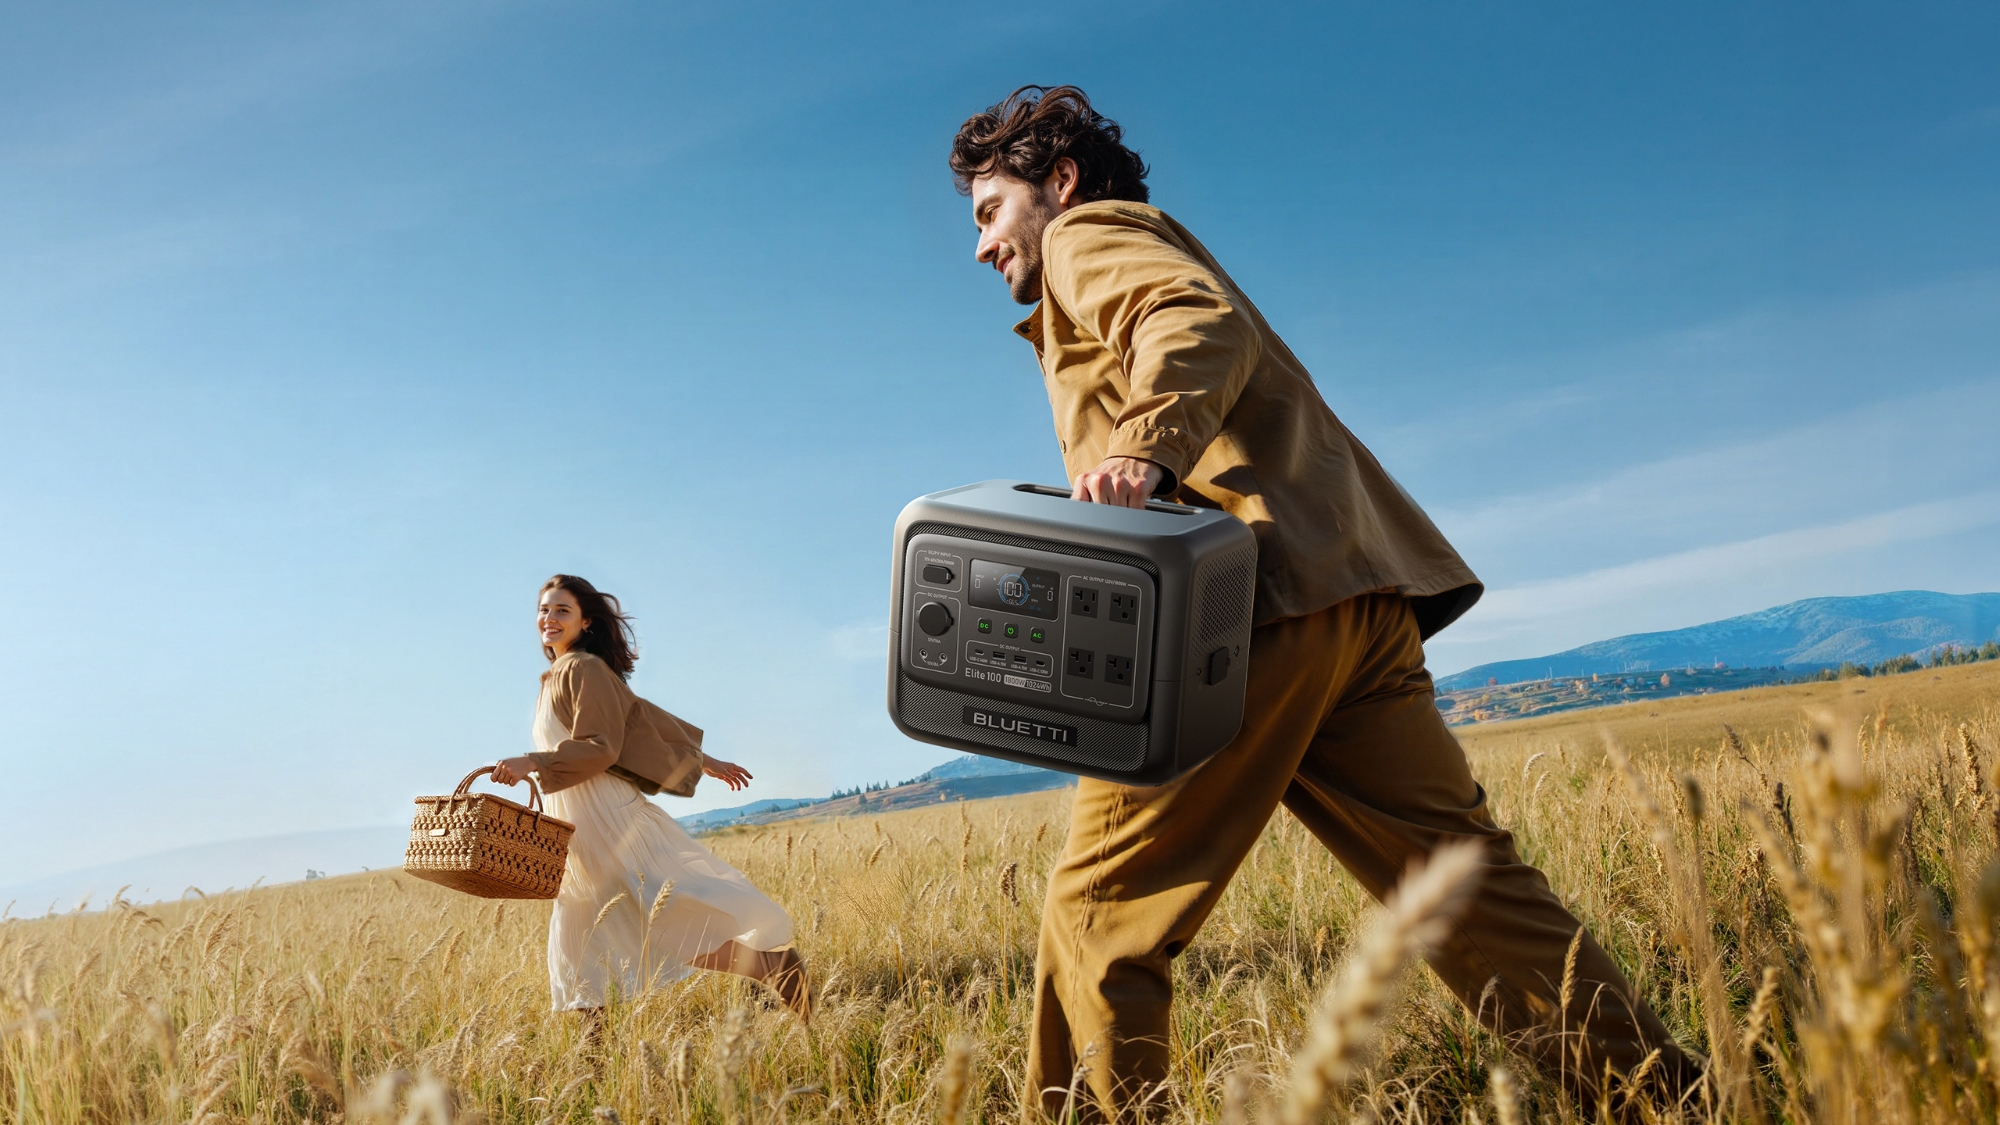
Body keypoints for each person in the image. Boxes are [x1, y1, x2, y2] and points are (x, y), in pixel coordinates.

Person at [948, 86, 1697, 1117]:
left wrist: (1137, 447)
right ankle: (1676, 1106)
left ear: (1058, 183)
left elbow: (1189, 320)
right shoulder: (1119, 245)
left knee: (1097, 915)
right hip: (1352, 596)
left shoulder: (1090, 235)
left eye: (989, 212)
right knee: (1467, 893)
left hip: (1239, 614)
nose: (981, 246)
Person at [491, 574, 810, 1021]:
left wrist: (533, 762)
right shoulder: (556, 677)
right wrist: (703, 758)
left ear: (586, 623)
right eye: (544, 610)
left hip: (607, 821)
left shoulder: (583, 668)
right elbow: (640, 715)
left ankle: (773, 966)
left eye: (562, 610)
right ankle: (596, 1069)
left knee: (666, 924)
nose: (549, 618)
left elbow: (603, 745)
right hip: (581, 830)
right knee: (581, 941)